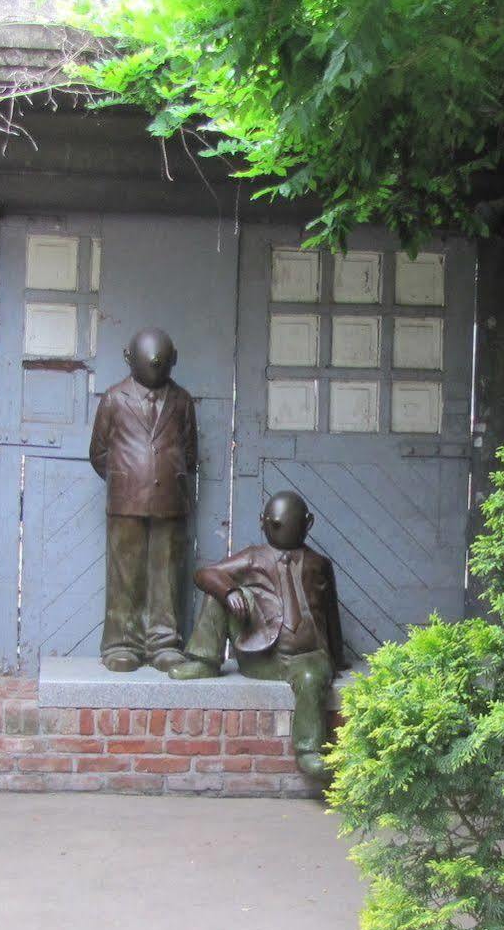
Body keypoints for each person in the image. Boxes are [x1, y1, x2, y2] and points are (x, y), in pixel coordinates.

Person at [171, 490, 344, 779]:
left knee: (313, 679)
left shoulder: (319, 564)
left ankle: (309, 751)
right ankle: (204, 659)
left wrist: (336, 656)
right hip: (266, 656)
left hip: (308, 657)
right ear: (262, 523)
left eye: (284, 523)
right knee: (217, 591)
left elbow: (330, 613)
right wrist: (230, 592)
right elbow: (204, 575)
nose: (278, 528)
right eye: (272, 523)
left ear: (308, 523)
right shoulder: (254, 557)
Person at [88, 327, 197, 672]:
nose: (156, 366)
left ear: (173, 361)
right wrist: (127, 477)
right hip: (126, 500)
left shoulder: (182, 400)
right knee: (125, 573)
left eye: (163, 362)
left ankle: (164, 642)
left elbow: (189, 451)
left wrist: (165, 474)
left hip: (169, 499)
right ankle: (121, 643)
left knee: (166, 574)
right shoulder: (113, 398)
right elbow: (98, 451)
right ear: (128, 358)